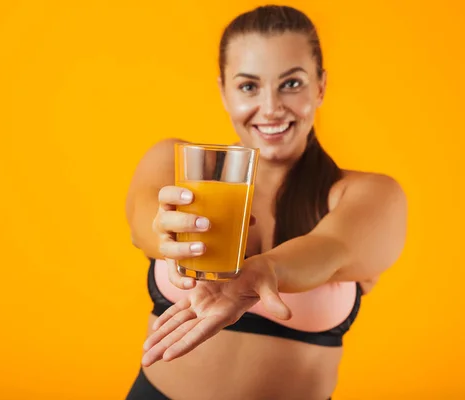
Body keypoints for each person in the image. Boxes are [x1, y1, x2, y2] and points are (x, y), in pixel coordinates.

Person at [124, 5, 407, 400]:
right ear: (223, 90)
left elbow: (329, 248)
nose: (271, 107)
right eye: (248, 86)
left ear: (320, 86)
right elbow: (143, 221)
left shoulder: (370, 196)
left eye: (291, 84)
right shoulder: (174, 163)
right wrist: (168, 229)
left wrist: (265, 271)